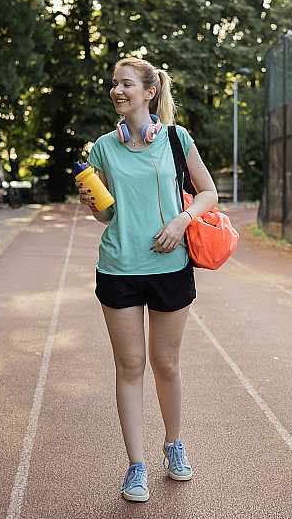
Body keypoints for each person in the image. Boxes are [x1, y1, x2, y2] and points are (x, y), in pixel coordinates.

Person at [75, 57, 218, 503]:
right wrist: (91, 204)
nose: (117, 91)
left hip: (170, 267)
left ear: (149, 91)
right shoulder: (102, 148)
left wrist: (181, 221)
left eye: (126, 84)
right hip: (118, 268)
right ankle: (135, 466)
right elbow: (107, 216)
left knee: (167, 364)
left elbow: (209, 192)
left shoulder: (176, 138)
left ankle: (174, 445)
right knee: (130, 366)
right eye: (114, 85)